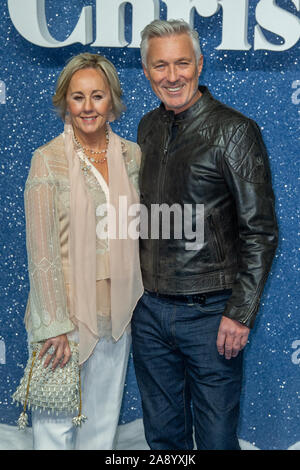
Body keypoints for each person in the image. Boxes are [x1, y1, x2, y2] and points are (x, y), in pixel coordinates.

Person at [131, 20, 278, 450]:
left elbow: (261, 231)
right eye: (160, 65)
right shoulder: (147, 129)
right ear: (146, 71)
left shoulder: (235, 131)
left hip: (211, 315)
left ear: (199, 64)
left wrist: (241, 312)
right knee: (163, 441)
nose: (172, 75)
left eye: (182, 63)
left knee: (215, 441)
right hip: (150, 314)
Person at [21, 53, 143, 450]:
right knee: (55, 429)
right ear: (65, 102)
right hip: (66, 317)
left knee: (102, 425)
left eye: (97, 96)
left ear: (112, 101)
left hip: (117, 312)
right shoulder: (48, 159)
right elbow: (40, 251)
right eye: (78, 97)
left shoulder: (131, 155)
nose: (88, 107)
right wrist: (52, 324)